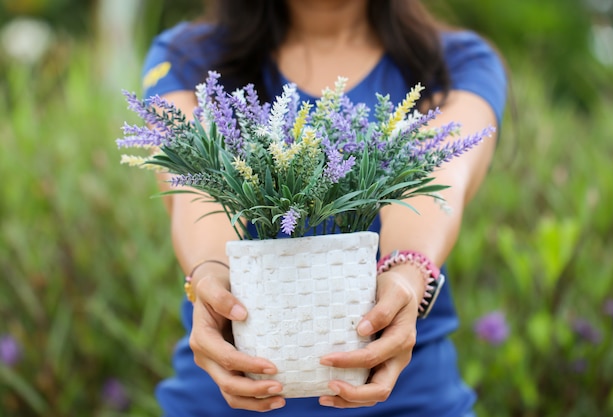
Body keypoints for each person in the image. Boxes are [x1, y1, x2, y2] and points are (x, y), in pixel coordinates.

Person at [141, 1, 507, 416]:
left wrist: (405, 275)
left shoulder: (454, 62)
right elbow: (196, 188)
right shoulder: (188, 56)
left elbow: (436, 183)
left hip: (408, 400)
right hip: (226, 399)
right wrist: (209, 275)